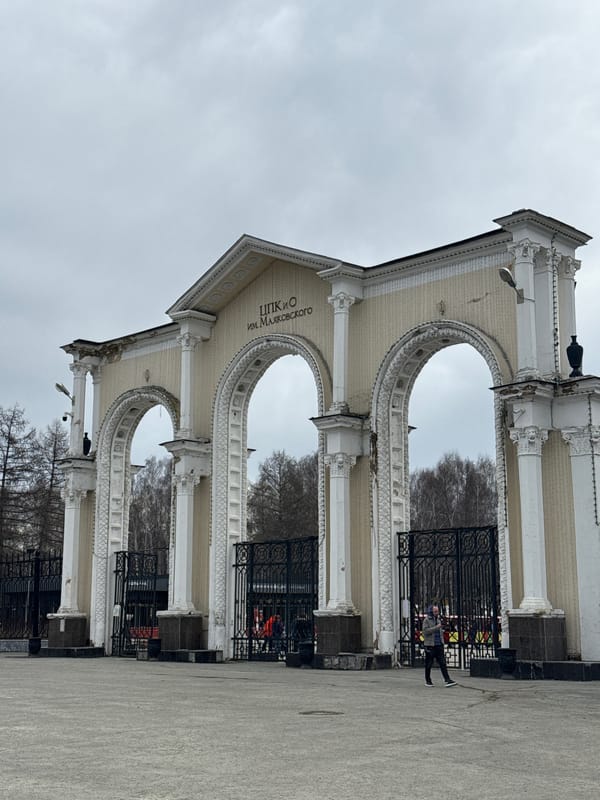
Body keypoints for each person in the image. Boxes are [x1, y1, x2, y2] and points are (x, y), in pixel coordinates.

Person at [422, 604, 457, 687]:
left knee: (442, 663)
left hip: (439, 644)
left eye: (437, 611)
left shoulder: (438, 619)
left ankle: (447, 679)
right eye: (435, 611)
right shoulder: (426, 620)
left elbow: (440, 631)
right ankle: (428, 680)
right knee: (429, 663)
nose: (437, 613)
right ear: (431, 611)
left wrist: (442, 641)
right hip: (430, 645)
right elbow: (425, 631)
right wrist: (436, 627)